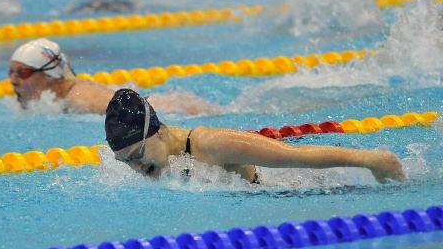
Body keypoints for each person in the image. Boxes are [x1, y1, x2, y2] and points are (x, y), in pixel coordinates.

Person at [104, 88, 406, 184]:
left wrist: (370, 160)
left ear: (159, 131)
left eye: (137, 156)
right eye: (125, 162)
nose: (137, 168)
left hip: (285, 191)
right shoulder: (169, 158)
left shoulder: (210, 144)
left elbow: (294, 157)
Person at [9, 38, 220, 115]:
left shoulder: (81, 98)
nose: (14, 79)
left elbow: (140, 111)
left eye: (23, 73)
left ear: (48, 75)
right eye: (11, 72)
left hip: (171, 108)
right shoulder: (59, 96)